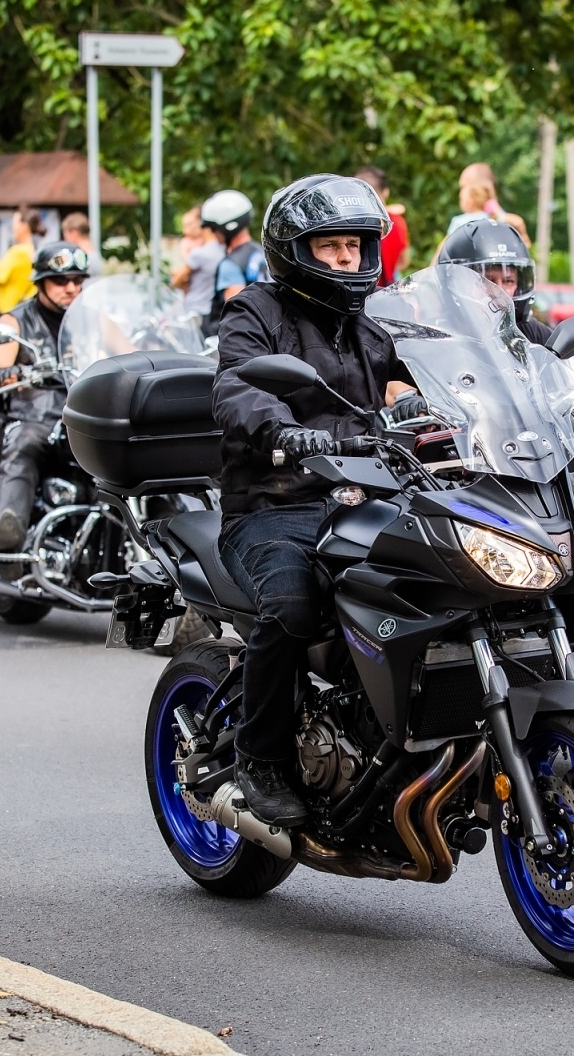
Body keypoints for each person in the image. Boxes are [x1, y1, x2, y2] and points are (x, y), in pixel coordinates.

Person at [212, 173, 414, 826]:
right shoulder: (255, 312)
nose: (347, 260)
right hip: (274, 506)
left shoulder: (373, 321)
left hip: (368, 497)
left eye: (355, 246)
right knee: (294, 604)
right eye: (330, 247)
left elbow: (428, 375)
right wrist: (282, 430)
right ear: (294, 249)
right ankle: (260, 758)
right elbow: (237, 387)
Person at [0, 241, 90, 568]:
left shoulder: (91, 319)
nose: (70, 287)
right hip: (37, 417)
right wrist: (8, 373)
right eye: (60, 280)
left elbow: (128, 349)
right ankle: (8, 527)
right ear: (41, 282)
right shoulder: (16, 321)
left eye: (77, 279)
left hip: (86, 415)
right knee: (25, 443)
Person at [436, 219, 552, 345]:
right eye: (488, 280)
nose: (499, 292)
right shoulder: (431, 342)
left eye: (508, 281)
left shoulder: (533, 336)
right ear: (455, 282)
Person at [203, 191, 266, 331]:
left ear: (228, 227)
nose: (214, 234)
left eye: (214, 228)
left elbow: (238, 315)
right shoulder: (260, 252)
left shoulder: (230, 265)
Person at [171, 206, 224, 332]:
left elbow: (176, 281)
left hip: (194, 312)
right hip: (212, 311)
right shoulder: (223, 249)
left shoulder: (199, 253)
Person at [356, 166, 410, 287]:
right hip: (387, 289)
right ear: (386, 191)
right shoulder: (398, 221)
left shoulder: (354, 225)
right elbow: (404, 261)